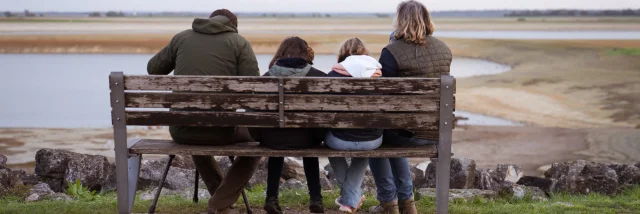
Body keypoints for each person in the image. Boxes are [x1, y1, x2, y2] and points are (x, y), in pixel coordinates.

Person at [146, 9, 261, 214]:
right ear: (232, 25)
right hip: (222, 130)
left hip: (181, 129)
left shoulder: (181, 38)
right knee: (259, 143)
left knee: (196, 136)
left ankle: (220, 200)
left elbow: (153, 69)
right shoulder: (239, 42)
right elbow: (253, 86)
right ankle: (220, 202)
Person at [368, 1, 452, 214]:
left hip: (405, 134)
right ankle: (408, 204)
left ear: (400, 20)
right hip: (436, 133)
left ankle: (389, 203)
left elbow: (380, 97)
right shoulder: (444, 49)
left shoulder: (391, 51)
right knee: (397, 130)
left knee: (375, 139)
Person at [249, 36, 326, 214]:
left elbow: (253, 112)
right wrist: (320, 136)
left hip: (272, 138)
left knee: (277, 140)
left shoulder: (265, 78)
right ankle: (316, 198)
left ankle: (271, 198)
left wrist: (260, 136)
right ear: (306, 54)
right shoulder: (319, 76)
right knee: (309, 142)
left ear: (280, 53)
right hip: (307, 139)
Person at [326, 38, 383, 213]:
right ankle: (350, 200)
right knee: (365, 141)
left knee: (327, 143)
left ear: (343, 55)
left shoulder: (332, 76)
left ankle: (349, 199)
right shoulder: (380, 76)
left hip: (339, 140)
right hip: (372, 140)